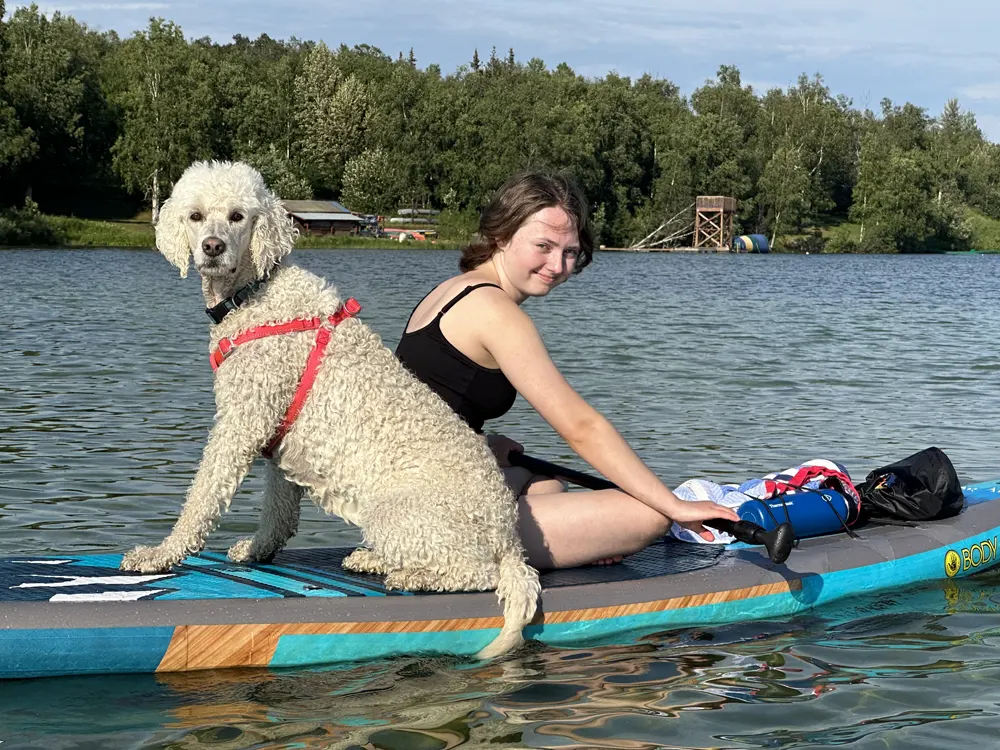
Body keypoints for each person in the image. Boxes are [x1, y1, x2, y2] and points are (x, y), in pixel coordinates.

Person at [395, 170, 739, 570]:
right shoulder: (496, 312)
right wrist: (674, 504)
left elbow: (434, 398)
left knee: (544, 483)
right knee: (650, 516)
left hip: (409, 496)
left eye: (570, 251)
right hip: (432, 519)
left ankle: (571, 545)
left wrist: (477, 443)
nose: (556, 265)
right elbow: (580, 427)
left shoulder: (452, 291)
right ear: (502, 235)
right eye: (543, 246)